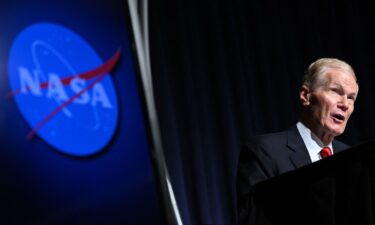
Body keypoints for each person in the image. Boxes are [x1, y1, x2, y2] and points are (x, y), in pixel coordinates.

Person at [236, 58, 359, 225]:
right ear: (305, 96)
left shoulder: (352, 160)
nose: (345, 104)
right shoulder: (265, 151)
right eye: (336, 91)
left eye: (351, 98)